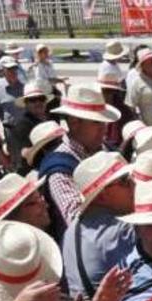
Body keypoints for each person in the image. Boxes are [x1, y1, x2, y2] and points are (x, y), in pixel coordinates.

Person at [41, 83, 121, 236]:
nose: (104, 128)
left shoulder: (107, 150)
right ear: (74, 123)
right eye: (97, 122)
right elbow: (77, 221)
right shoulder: (59, 170)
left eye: (104, 122)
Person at [63, 151, 136, 300]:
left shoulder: (71, 230)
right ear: (102, 197)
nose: (133, 184)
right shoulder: (123, 230)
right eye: (124, 181)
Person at [12, 79, 54, 173]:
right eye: (33, 100)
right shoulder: (23, 125)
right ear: (26, 104)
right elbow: (25, 153)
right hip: (35, 172)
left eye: (41, 98)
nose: (38, 102)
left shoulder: (50, 118)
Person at [125, 48, 152, 126]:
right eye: (150, 62)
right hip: (150, 127)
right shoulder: (138, 83)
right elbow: (130, 106)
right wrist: (139, 125)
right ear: (143, 66)